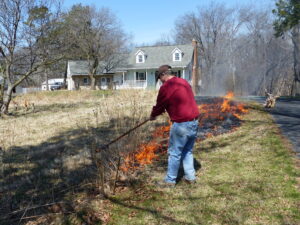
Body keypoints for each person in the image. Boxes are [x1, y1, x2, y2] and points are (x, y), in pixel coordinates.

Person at [150, 65, 199, 188]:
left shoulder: (166, 87)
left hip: (182, 124)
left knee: (174, 153)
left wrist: (153, 115)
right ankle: (190, 177)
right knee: (187, 151)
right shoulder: (183, 82)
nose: (160, 82)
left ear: (163, 75)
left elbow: (160, 105)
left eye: (159, 78)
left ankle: (170, 181)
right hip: (194, 122)